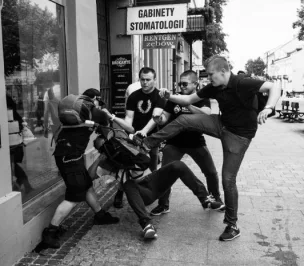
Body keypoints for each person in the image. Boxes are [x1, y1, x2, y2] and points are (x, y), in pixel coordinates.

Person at [137, 55, 281, 241]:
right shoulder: (214, 86)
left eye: (211, 74)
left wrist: (269, 108)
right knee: (184, 120)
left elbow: (274, 86)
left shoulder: (242, 82)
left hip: (238, 137)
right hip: (221, 124)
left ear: (223, 71)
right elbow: (188, 99)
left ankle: (232, 225)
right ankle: (146, 143)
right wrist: (169, 96)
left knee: (228, 179)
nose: (209, 78)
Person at [91, 136, 223, 239]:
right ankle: (147, 224)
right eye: (104, 147)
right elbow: (90, 174)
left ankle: (205, 199)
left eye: (109, 142)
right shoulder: (106, 163)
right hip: (141, 192)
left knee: (178, 165)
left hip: (154, 181)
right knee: (128, 184)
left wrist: (133, 142)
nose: (110, 147)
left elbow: (146, 149)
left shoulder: (127, 147)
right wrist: (99, 158)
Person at [40, 88, 120, 249]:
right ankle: (50, 233)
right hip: (71, 158)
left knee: (86, 185)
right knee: (74, 197)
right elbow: (109, 133)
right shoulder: (97, 113)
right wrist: (105, 115)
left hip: (65, 155)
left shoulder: (76, 111)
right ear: (96, 100)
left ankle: (100, 215)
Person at [150, 70, 224, 216]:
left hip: (196, 142)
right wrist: (160, 119)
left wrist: (187, 102)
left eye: (184, 84)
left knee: (210, 172)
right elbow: (166, 117)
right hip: (174, 142)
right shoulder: (175, 98)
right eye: (180, 83)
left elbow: (206, 115)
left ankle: (215, 198)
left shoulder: (202, 97)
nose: (181, 86)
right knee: (165, 173)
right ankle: (163, 205)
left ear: (195, 84)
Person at [112, 67, 167, 208]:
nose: (145, 82)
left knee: (151, 166)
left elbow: (155, 117)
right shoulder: (133, 96)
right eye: (142, 79)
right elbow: (129, 118)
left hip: (153, 137)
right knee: (128, 165)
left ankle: (148, 193)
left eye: (148, 79)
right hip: (134, 137)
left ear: (154, 80)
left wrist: (144, 131)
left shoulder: (159, 96)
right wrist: (128, 131)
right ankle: (120, 191)